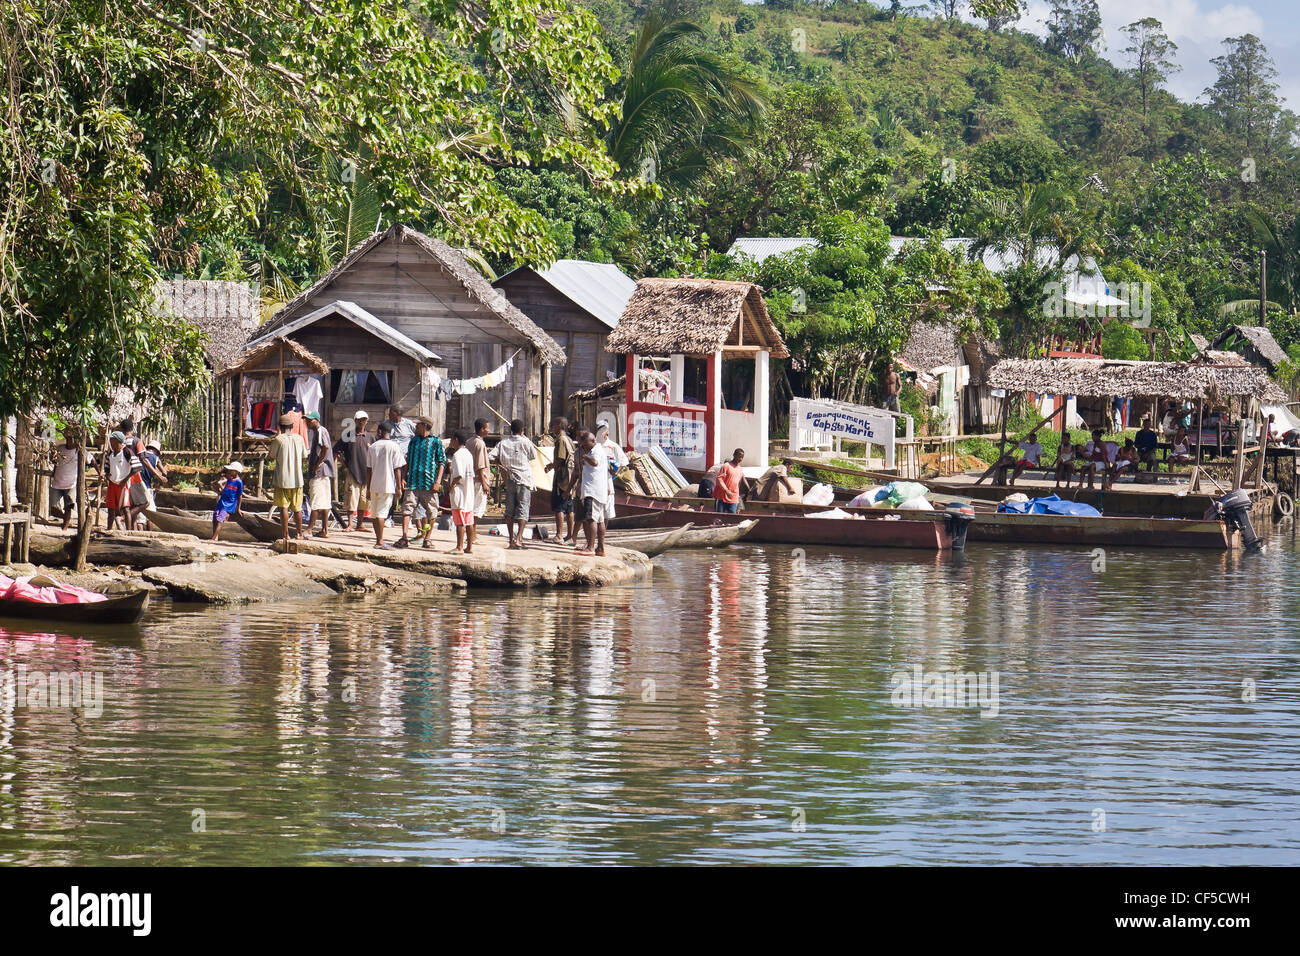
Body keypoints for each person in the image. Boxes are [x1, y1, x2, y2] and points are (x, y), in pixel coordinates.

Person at [489, 418, 537, 549]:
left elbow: (491, 456)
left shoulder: (503, 443)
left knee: (509, 511)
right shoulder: (526, 442)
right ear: (522, 430)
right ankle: (519, 539)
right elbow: (533, 456)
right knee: (523, 510)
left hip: (510, 480)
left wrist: (501, 464)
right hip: (524, 479)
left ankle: (511, 540)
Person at [398, 417, 445, 549]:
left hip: (429, 483)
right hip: (412, 481)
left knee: (432, 511)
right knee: (407, 509)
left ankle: (427, 538)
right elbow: (408, 460)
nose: (416, 427)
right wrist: (403, 477)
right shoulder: (413, 441)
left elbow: (442, 462)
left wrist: (438, 481)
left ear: (424, 426)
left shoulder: (436, 442)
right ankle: (404, 536)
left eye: (418, 425)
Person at [269, 413, 307, 548]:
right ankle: (299, 533)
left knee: (283, 507)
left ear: (280, 426)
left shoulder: (278, 439)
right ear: (292, 426)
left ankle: (285, 534)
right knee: (297, 508)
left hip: (282, 479)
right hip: (297, 479)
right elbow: (304, 456)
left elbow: (271, 456)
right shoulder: (300, 439)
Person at [366, 419, 406, 549]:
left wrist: (367, 487)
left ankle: (378, 540)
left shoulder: (373, 447)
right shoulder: (394, 447)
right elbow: (397, 469)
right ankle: (380, 541)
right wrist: (399, 487)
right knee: (382, 513)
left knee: (375, 514)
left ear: (379, 431)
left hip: (374, 484)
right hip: (388, 485)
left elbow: (369, 469)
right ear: (391, 432)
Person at [572, 429, 609, 556]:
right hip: (598, 491)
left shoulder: (596, 451)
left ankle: (591, 548)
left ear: (592, 441)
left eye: (585, 445)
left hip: (592, 491)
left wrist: (586, 457)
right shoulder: (597, 451)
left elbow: (595, 462)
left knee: (591, 519)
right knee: (599, 520)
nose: (584, 448)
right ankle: (600, 548)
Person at [336, 410, 371, 531]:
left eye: (364, 419)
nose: (362, 422)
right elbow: (337, 450)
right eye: (360, 419)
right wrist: (345, 464)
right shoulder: (348, 435)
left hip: (367, 473)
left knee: (363, 500)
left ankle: (360, 524)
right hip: (353, 471)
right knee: (351, 498)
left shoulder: (370, 436)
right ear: (355, 421)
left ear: (367, 421)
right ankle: (350, 524)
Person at [544, 416, 577, 546]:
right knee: (569, 508)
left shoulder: (561, 440)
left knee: (559, 507)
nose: (552, 427)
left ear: (558, 425)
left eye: (553, 425)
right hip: (570, 479)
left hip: (562, 479)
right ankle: (570, 535)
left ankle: (559, 535)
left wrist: (549, 466)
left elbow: (560, 460)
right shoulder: (569, 440)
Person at [447, 429, 476, 554]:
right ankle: (469, 547)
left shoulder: (457, 455)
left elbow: (458, 475)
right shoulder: (468, 454)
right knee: (469, 520)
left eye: (452, 440)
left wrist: (451, 485)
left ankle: (459, 547)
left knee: (459, 521)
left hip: (460, 489)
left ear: (456, 440)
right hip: (469, 489)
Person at [594, 419, 628, 520]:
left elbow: (624, 461)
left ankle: (604, 532)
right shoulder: (594, 445)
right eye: (600, 429)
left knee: (607, 511)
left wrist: (616, 473)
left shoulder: (612, 446)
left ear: (607, 431)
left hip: (608, 481)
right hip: (595, 481)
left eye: (604, 429)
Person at [49, 430, 81, 530]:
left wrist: (99, 471)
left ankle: (65, 526)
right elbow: (56, 462)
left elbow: (92, 460)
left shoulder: (79, 451)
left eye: (70, 439)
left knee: (68, 506)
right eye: (67, 439)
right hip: (58, 481)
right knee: (53, 507)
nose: (68, 441)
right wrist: (54, 470)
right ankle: (65, 518)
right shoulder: (60, 449)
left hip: (71, 482)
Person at [103, 431, 133, 530]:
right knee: (111, 508)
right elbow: (107, 465)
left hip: (122, 484)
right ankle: (109, 529)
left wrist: (126, 479)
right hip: (112, 483)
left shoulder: (127, 452)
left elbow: (137, 467)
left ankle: (129, 532)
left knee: (125, 508)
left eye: (112, 440)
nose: (110, 443)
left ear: (117, 441)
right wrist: (107, 474)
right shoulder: (111, 453)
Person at [464, 418, 492, 521]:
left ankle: (470, 531)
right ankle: (472, 532)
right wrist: (484, 483)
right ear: (482, 429)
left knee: (470, 506)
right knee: (477, 509)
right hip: (479, 480)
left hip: (469, 479)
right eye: (487, 428)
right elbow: (480, 465)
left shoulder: (469, 441)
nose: (488, 430)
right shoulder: (480, 444)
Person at [211, 462, 245, 541]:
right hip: (222, 501)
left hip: (228, 504)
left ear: (236, 471)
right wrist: (219, 486)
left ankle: (213, 539)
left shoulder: (239, 482)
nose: (229, 471)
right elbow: (224, 492)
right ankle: (215, 537)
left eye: (231, 470)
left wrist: (238, 508)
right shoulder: (229, 480)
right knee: (215, 518)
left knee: (220, 520)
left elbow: (239, 496)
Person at [713, 448, 745, 514]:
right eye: (739, 457)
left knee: (732, 518)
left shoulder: (740, 469)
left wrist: (738, 498)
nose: (740, 459)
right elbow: (719, 479)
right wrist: (726, 490)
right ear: (734, 455)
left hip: (733, 498)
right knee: (719, 517)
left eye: (742, 457)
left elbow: (738, 484)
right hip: (722, 496)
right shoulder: (726, 466)